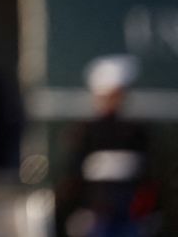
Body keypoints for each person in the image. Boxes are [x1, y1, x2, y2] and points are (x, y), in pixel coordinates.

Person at [56, 55, 161, 237]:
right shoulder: (86, 132)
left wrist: (149, 209)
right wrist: (77, 209)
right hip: (97, 213)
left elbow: (149, 174)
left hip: (131, 213)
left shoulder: (137, 132)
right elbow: (73, 175)